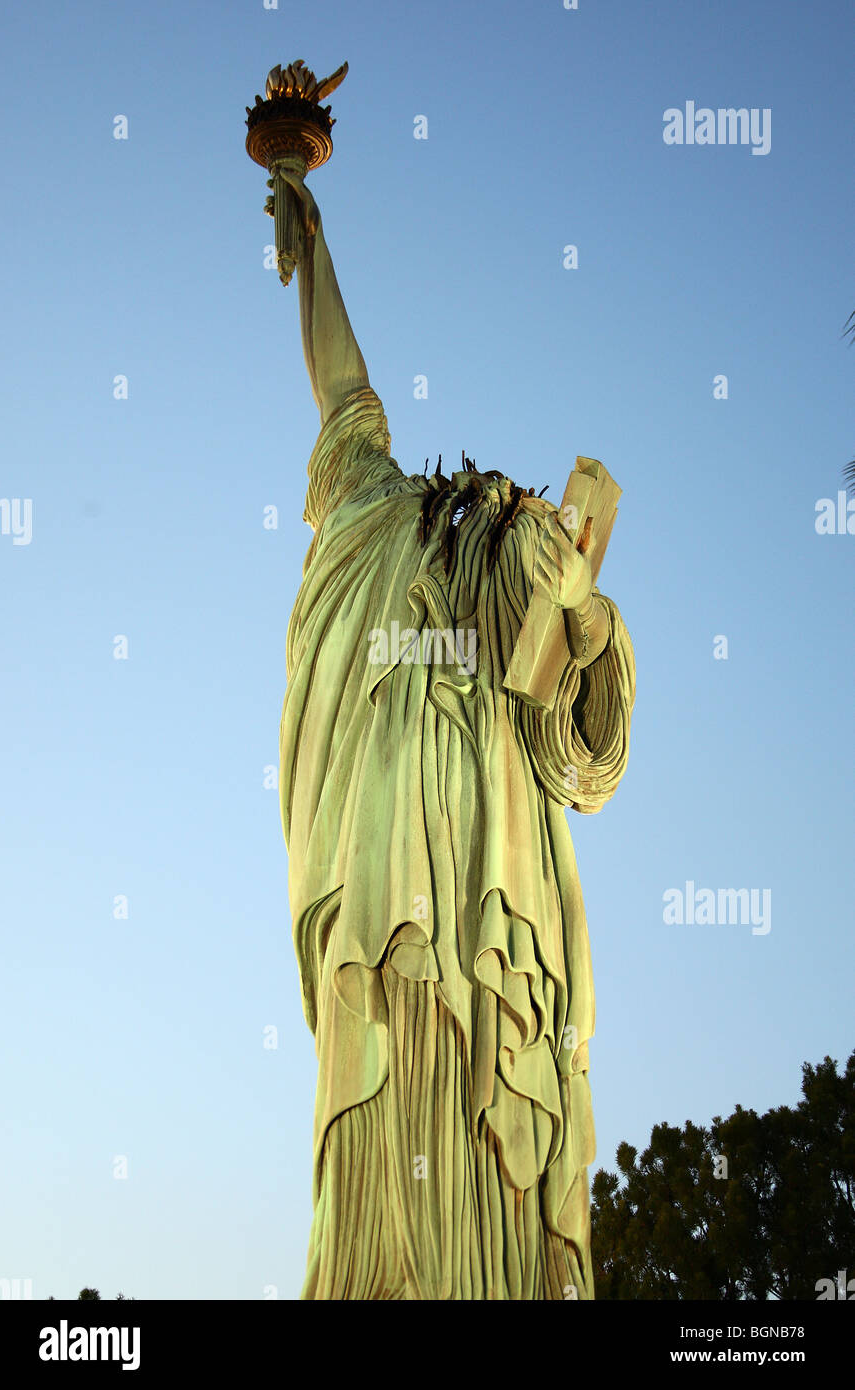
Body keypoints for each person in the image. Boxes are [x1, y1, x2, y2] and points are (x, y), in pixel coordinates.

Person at [273, 165, 635, 1299]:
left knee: (490, 1160)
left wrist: (577, 604)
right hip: (381, 911)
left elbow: (582, 756)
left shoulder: (513, 559)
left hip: (490, 899)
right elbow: (341, 381)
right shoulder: (374, 507)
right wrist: (300, 205)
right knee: (381, 1138)